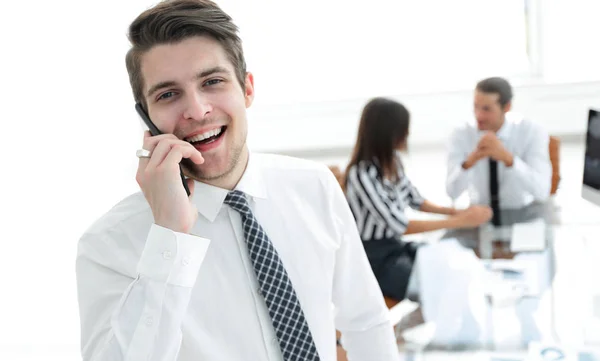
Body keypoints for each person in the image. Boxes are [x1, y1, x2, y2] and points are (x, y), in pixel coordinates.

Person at [75, 1, 400, 360]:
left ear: (247, 88)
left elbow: (366, 322)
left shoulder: (315, 186)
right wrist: (170, 236)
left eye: (212, 81)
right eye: (168, 94)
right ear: (146, 117)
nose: (197, 110)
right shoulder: (108, 244)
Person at [344, 97, 492, 302]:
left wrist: (458, 212)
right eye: (404, 128)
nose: (408, 134)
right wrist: (461, 221)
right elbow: (399, 225)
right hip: (374, 257)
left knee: (449, 264)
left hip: (396, 246)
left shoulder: (393, 161)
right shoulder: (361, 175)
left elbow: (415, 200)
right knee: (429, 286)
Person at [446, 77, 552, 224]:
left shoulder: (531, 132)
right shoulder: (461, 134)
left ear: (507, 107)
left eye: (486, 109)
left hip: (523, 214)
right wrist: (470, 162)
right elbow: (452, 193)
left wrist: (509, 160)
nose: (479, 116)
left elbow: (542, 192)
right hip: (480, 215)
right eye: (476, 107)